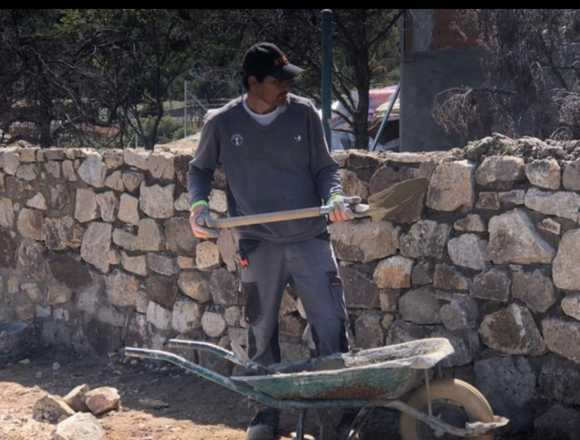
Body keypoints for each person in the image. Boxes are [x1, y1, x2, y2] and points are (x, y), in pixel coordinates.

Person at [187, 41, 353, 440]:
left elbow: (325, 169)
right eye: (277, 80)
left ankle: (339, 418)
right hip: (257, 244)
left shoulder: (304, 114)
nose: (285, 87)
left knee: (331, 327)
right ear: (253, 82)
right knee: (260, 331)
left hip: (310, 238)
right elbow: (199, 170)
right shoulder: (222, 123)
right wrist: (198, 207)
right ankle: (266, 414)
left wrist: (332, 196)